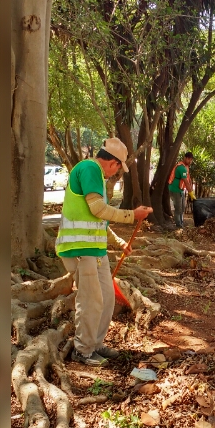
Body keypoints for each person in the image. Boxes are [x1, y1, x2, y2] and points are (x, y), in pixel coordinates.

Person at [55, 137, 153, 367]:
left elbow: (99, 222)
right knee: (91, 300)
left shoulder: (97, 177)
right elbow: (98, 210)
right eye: (118, 168)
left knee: (107, 298)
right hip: (79, 249)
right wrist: (131, 215)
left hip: (95, 251)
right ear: (114, 163)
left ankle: (95, 344)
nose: (116, 173)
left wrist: (119, 243)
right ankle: (83, 349)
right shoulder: (89, 168)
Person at [167, 151, 195, 228]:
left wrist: (191, 190)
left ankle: (181, 223)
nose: (190, 161)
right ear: (185, 158)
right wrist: (190, 193)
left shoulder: (186, 167)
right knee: (178, 209)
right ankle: (178, 225)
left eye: (191, 160)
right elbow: (186, 181)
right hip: (175, 189)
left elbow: (189, 179)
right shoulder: (181, 168)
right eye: (188, 159)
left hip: (181, 190)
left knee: (182, 208)